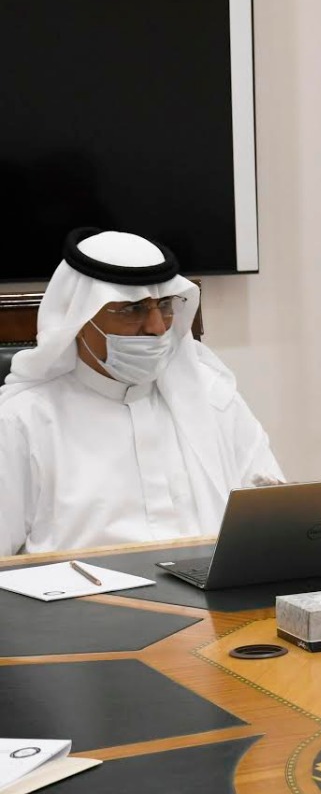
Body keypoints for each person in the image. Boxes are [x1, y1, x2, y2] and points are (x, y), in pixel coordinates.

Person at [0, 228, 283, 555]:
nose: (156, 327)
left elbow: (275, 517)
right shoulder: (22, 422)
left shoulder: (213, 398)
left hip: (211, 584)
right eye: (131, 309)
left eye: (164, 305)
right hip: (81, 589)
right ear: (78, 319)